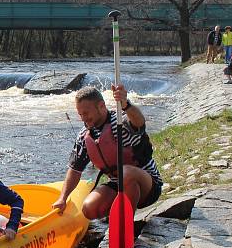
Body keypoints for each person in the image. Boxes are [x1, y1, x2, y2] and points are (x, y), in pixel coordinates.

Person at [52, 85, 163, 221]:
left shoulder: (120, 121)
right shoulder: (84, 135)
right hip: (117, 185)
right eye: (80, 114)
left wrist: (126, 105)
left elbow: (139, 122)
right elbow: (75, 170)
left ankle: (125, 223)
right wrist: (62, 198)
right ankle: (116, 214)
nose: (83, 118)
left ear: (101, 106)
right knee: (89, 208)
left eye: (86, 113)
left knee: (126, 173)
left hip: (147, 186)